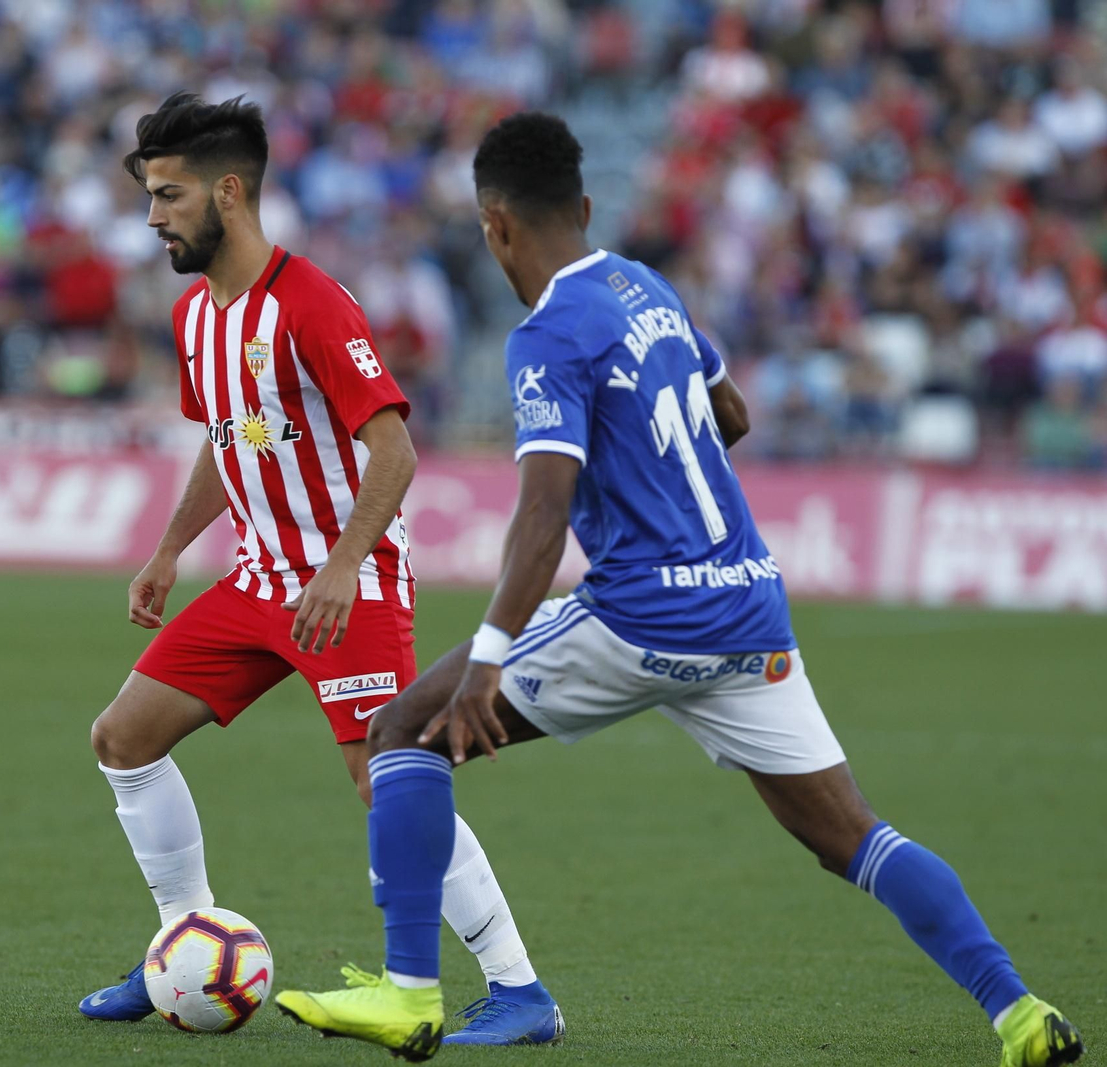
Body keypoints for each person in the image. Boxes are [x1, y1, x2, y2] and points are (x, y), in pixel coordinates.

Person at [275, 112, 1085, 1067]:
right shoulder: (648, 287)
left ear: (494, 225)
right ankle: (1020, 1012)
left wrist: (487, 659)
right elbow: (729, 412)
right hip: (746, 605)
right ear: (585, 206)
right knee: (852, 835)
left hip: (643, 613)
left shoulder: (546, 334)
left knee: (404, 730)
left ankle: (410, 993)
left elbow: (542, 513)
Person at [80, 94, 563, 1046]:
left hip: (350, 588)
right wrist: (171, 547)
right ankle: (183, 942)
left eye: (170, 195)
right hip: (258, 584)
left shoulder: (311, 302)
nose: (153, 217)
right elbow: (229, 437)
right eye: (149, 196)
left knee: (391, 779)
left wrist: (343, 565)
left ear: (229, 192)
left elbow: (395, 452)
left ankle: (520, 989)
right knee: (123, 738)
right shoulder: (196, 315)